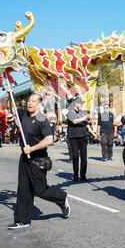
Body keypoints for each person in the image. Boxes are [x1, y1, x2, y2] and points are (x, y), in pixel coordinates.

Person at [7, 92, 70, 229]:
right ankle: (22, 220)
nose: (30, 103)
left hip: (38, 159)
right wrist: (9, 93)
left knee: (40, 190)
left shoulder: (42, 119)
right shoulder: (23, 114)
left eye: (33, 101)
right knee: (23, 189)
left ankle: (61, 198)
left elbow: (49, 139)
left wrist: (32, 148)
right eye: (29, 101)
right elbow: (11, 109)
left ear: (39, 105)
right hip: (25, 158)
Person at [66, 97, 96, 181]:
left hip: (83, 137)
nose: (82, 105)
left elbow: (86, 125)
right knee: (75, 156)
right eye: (81, 103)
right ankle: (75, 174)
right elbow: (75, 121)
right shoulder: (70, 112)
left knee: (84, 157)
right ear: (76, 104)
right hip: (73, 137)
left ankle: (83, 175)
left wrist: (93, 133)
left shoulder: (82, 113)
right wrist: (85, 117)